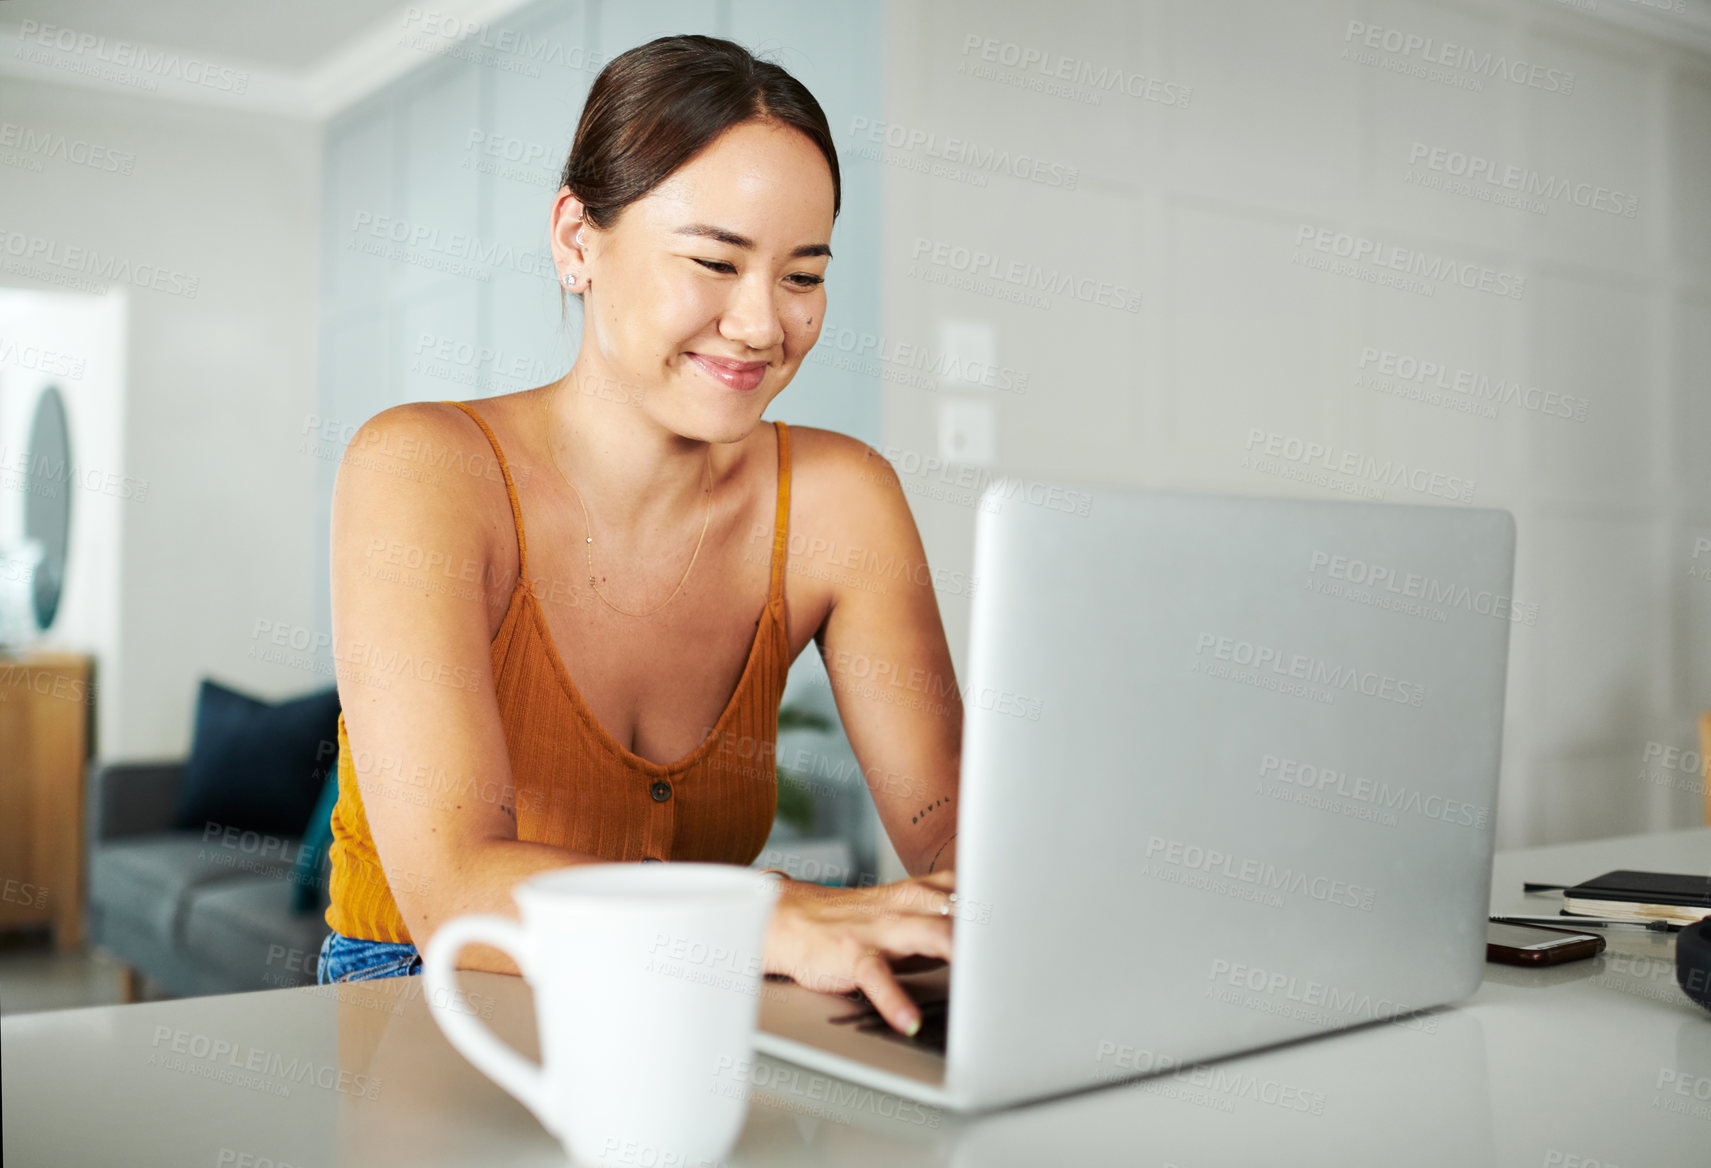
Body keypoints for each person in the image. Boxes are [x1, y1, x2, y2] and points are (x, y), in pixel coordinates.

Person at [317, 34, 961, 1038]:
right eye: (713, 261)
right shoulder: (421, 469)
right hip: (424, 988)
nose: (759, 325)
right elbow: (453, 890)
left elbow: (956, 843)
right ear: (576, 238)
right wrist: (770, 913)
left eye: (802, 276)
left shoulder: (843, 499)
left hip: (699, 986)